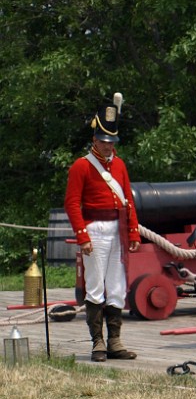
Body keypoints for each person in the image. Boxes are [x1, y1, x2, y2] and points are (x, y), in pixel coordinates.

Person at [64, 93, 141, 362]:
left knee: (117, 286)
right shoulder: (81, 166)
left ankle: (115, 341)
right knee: (95, 287)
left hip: (117, 229)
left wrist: (133, 231)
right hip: (94, 229)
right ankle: (98, 342)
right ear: (94, 140)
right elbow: (72, 204)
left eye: (112, 142)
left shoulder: (119, 165)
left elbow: (128, 200)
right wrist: (82, 235)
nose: (109, 147)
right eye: (104, 142)